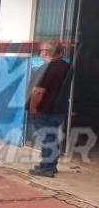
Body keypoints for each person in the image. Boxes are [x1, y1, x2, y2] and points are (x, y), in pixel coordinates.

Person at [28, 41, 72, 178]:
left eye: (41, 50)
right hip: (60, 109)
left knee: (47, 139)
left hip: (44, 110)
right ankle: (50, 165)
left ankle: (47, 168)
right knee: (51, 137)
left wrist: (33, 107)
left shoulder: (48, 68)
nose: (40, 53)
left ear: (47, 52)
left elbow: (38, 91)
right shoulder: (66, 66)